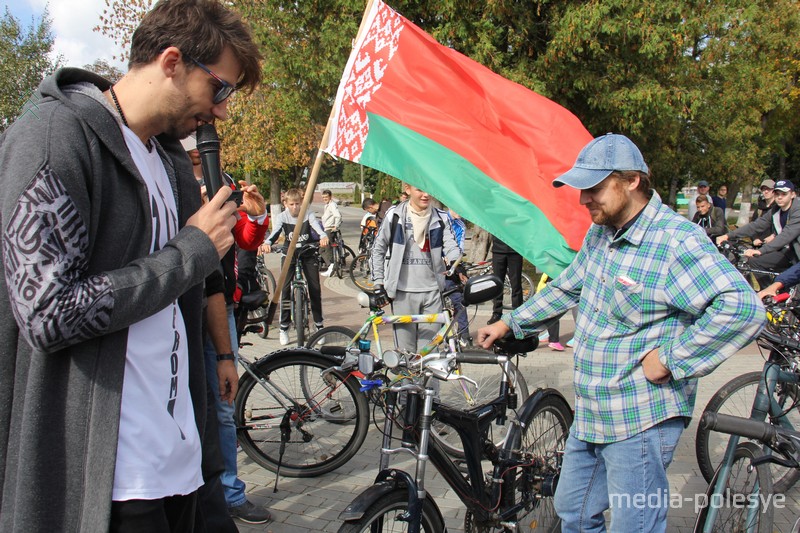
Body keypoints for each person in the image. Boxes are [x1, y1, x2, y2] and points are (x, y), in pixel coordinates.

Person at [0, 1, 263, 531]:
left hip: (184, 464)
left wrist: (220, 354)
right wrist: (192, 249)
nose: (221, 112)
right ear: (171, 61)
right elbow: (48, 314)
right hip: (106, 481)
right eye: (221, 89)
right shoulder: (55, 137)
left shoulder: (168, 160)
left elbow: (195, 283)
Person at [477, 133, 764, 533]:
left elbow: (742, 308)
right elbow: (568, 285)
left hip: (641, 418)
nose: (583, 200)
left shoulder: (674, 241)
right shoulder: (602, 231)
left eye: (593, 188)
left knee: (635, 524)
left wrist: (671, 359)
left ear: (631, 180)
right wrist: (512, 321)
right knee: (573, 511)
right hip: (594, 410)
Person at [180, 136, 272, 524]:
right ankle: (188, 492)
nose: (197, 146)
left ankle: (230, 493)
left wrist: (255, 214)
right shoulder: (165, 172)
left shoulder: (226, 180)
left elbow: (246, 241)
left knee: (222, 405)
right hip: (178, 304)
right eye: (190, 141)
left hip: (222, 304)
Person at [369, 184, 461, 352]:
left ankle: (428, 380)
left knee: (429, 353)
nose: (426, 195)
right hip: (402, 294)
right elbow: (377, 249)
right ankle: (407, 380)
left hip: (433, 293)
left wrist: (456, 265)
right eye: (420, 189)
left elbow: (451, 246)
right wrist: (378, 284)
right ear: (408, 189)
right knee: (405, 354)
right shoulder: (395, 215)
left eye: (429, 190)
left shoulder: (440, 218)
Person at [260, 188, 328, 346]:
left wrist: (323, 235)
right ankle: (284, 327)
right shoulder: (282, 217)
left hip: (307, 252)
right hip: (289, 254)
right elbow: (275, 233)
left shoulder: (307, 213)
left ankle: (319, 325)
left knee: (315, 288)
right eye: (291, 204)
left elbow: (316, 227)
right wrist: (268, 243)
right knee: (284, 289)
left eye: (297, 204)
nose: (295, 207)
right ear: (285, 204)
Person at [717, 179, 800, 286]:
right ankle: (770, 294)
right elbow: (756, 226)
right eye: (777, 194)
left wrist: (761, 251)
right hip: (787, 252)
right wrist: (728, 235)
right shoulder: (776, 211)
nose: (779, 197)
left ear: (792, 195)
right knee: (754, 262)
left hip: (797, 254)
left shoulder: (797, 210)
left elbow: (786, 235)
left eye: (784, 194)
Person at [445, 209, 470, 344]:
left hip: (452, 265)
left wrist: (459, 270)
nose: (460, 211)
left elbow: (459, 248)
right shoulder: (440, 219)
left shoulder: (460, 224)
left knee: (459, 300)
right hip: (436, 265)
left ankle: (464, 335)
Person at [488, 236, 523, 325]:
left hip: (515, 250)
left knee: (516, 284)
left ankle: (518, 313)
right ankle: (497, 313)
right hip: (498, 251)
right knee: (497, 284)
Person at [319, 189, 342, 277]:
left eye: (326, 197)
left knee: (324, 249)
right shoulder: (327, 205)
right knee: (325, 249)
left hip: (329, 230)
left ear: (330, 196)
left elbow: (338, 216)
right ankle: (331, 265)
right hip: (327, 229)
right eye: (323, 197)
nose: (324, 198)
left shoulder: (332, 205)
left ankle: (331, 265)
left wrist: (336, 226)